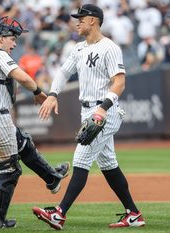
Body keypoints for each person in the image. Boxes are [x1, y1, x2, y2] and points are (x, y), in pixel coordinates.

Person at [32, 4, 145, 230]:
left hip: (105, 112)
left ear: (93, 20)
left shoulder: (110, 47)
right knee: (108, 164)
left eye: (81, 18)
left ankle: (59, 213)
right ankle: (133, 214)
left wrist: (103, 108)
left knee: (81, 159)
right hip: (88, 111)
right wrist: (53, 94)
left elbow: (120, 82)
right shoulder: (79, 48)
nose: (77, 22)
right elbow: (63, 72)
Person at [0, 16, 50, 229]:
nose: (14, 43)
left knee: (22, 142)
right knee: (11, 171)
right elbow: (22, 77)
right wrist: (39, 92)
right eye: (12, 39)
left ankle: (52, 177)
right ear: (1, 38)